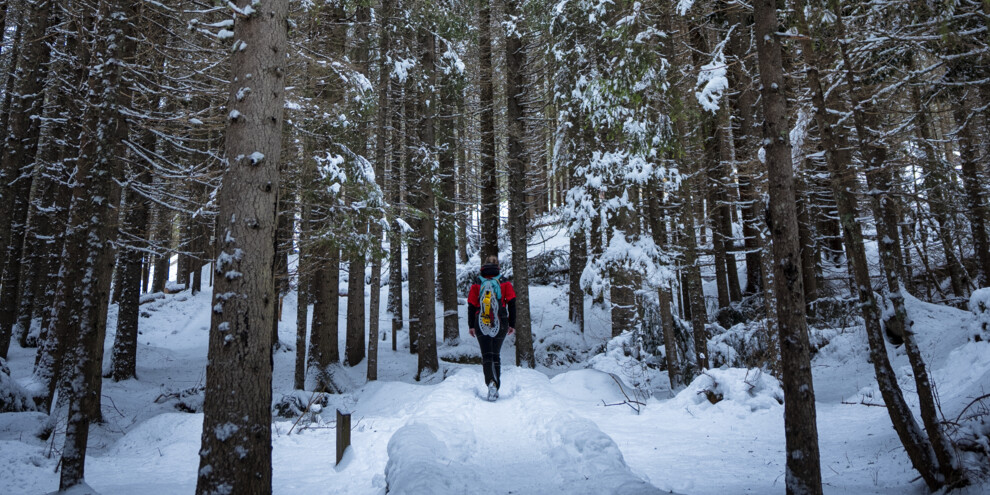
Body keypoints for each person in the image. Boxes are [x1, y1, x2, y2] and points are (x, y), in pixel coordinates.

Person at [467, 255, 516, 401]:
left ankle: (490, 382)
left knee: (487, 355)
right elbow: (512, 303)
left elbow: (471, 305)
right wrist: (512, 323)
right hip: (500, 320)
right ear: (498, 266)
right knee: (496, 355)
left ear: (483, 266)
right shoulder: (504, 282)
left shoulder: (477, 282)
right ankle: (496, 385)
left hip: (480, 320)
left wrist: (471, 325)